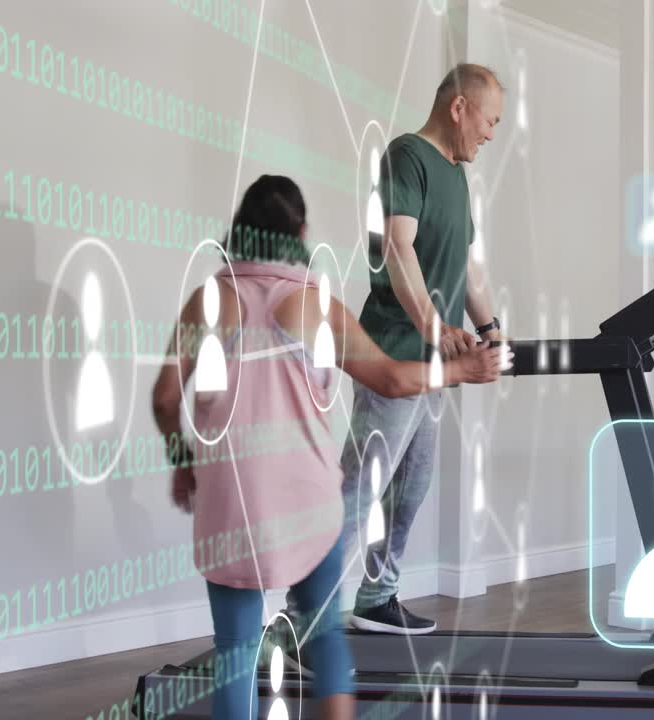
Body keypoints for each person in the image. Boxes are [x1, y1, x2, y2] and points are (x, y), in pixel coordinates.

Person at [151, 175, 505, 720]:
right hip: (308, 505)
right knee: (325, 639)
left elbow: (164, 396)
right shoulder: (315, 304)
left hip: (231, 508)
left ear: (241, 232)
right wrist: (462, 367)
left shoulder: (209, 301)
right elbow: (388, 378)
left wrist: (182, 462)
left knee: (237, 658)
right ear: (300, 231)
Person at [337, 63, 506, 635]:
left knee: (411, 483)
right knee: (360, 487)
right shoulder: (406, 157)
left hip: (435, 360)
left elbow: (467, 268)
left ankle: (377, 595)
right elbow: (397, 246)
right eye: (489, 120)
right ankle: (300, 613)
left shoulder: (457, 175)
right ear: (459, 107)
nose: (490, 133)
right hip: (392, 352)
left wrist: (492, 328)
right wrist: (436, 328)